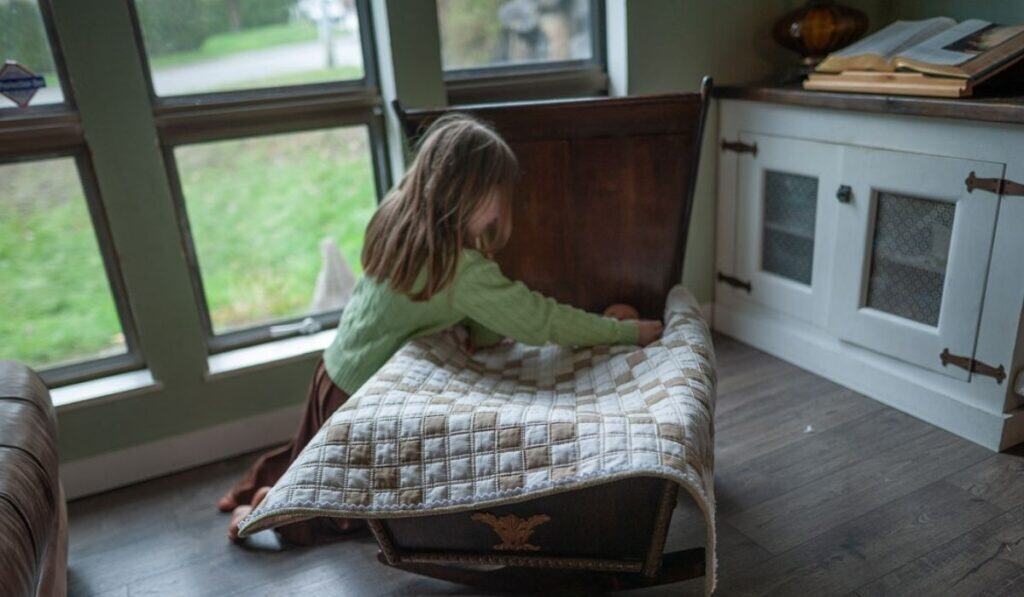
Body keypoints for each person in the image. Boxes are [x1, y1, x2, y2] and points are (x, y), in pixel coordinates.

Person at [220, 113, 664, 543]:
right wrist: (625, 333)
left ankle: (250, 487)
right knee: (352, 502)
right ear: (472, 193)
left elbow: (466, 311)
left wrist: (486, 335)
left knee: (309, 452)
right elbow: (540, 320)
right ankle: (266, 513)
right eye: (497, 196)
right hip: (364, 398)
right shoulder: (459, 267)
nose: (499, 210)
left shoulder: (397, 222)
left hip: (333, 372)